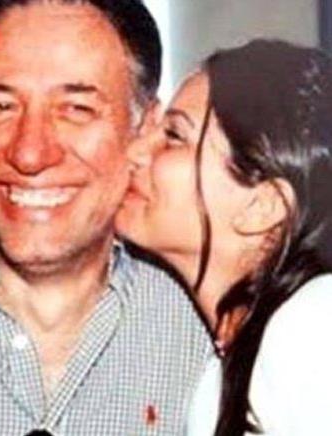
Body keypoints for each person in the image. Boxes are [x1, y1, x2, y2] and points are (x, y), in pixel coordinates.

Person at [0, 1, 211, 435]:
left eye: (76, 109)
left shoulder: (209, 340)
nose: (30, 153)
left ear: (146, 130)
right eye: (0, 107)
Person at [115, 39, 332, 435]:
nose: (134, 152)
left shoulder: (314, 325)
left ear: (262, 206)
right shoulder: (216, 380)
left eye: (174, 136)